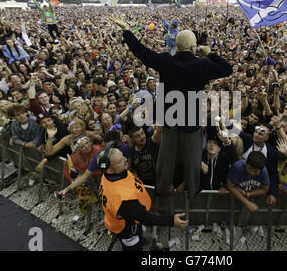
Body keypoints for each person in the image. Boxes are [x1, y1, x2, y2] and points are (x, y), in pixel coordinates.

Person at [111, 15, 232, 199]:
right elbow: (227, 69)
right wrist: (209, 53)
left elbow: (142, 52)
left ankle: (161, 190)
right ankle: (192, 193)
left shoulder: (166, 60)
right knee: (192, 162)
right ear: (193, 47)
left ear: (177, 45)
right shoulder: (202, 64)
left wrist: (127, 31)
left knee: (165, 161)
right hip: (191, 124)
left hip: (170, 121)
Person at [97, 147, 188, 251]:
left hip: (130, 217)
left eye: (122, 155)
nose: (125, 159)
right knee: (133, 247)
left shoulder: (109, 176)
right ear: (109, 170)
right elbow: (146, 218)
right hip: (127, 229)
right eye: (120, 160)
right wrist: (172, 221)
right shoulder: (124, 200)